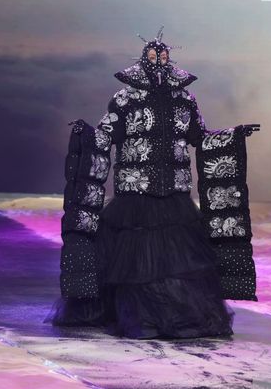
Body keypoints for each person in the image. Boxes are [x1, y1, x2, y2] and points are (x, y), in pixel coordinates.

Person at [45, 27, 259, 339]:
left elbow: (200, 137)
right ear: (144, 59)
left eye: (163, 55)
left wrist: (234, 134)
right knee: (136, 264)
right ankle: (142, 319)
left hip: (174, 195)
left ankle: (177, 318)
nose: (159, 59)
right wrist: (85, 132)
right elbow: (106, 135)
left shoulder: (184, 99)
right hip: (135, 195)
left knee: (176, 263)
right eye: (153, 54)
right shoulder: (125, 98)